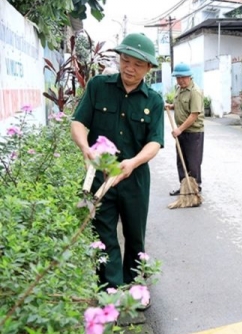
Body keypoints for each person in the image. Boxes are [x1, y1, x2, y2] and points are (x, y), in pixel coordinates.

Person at [71, 33, 164, 290]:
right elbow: (78, 122)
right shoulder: (98, 86)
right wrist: (84, 148)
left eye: (137, 64)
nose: (129, 68)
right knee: (103, 236)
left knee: (135, 236)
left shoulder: (153, 101)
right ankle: (108, 289)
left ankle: (134, 287)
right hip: (101, 177)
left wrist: (134, 162)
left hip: (134, 178)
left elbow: (155, 142)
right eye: (125, 60)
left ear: (148, 68)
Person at [165, 63, 204, 195]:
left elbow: (194, 115)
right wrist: (171, 106)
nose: (180, 80)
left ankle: (195, 188)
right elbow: (179, 105)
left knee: (193, 162)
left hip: (193, 132)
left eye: (183, 78)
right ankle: (184, 186)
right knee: (181, 162)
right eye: (178, 78)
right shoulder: (180, 89)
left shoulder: (195, 92)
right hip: (181, 131)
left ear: (189, 76)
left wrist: (179, 129)